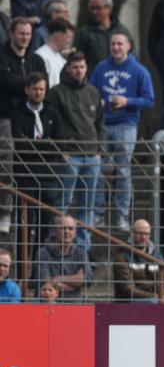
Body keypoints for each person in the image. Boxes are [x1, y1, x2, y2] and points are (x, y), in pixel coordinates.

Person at [89, 32, 155, 232]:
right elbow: (90, 92)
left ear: (128, 46)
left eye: (120, 44)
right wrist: (96, 101)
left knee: (123, 170)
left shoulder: (139, 71)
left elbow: (149, 100)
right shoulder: (101, 68)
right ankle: (97, 214)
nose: (116, 47)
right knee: (98, 169)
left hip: (127, 125)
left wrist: (128, 101)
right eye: (112, 44)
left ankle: (122, 217)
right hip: (102, 125)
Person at [45, 52, 105, 251]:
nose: (78, 71)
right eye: (75, 67)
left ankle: (82, 251)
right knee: (62, 204)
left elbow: (100, 123)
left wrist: (99, 149)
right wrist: (60, 151)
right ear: (68, 68)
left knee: (87, 207)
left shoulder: (93, 92)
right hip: (69, 156)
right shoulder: (56, 93)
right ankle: (55, 247)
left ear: (86, 68)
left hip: (91, 156)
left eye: (82, 66)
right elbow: (50, 124)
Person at [0, 17, 48, 234]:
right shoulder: (2, 55)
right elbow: (5, 82)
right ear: (12, 34)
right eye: (21, 34)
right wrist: (28, 84)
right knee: (6, 166)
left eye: (28, 34)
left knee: (27, 166)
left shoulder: (36, 59)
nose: (25, 38)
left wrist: (22, 84)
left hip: (31, 116)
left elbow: (42, 83)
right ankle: (5, 210)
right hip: (6, 117)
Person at [10, 71, 64, 237]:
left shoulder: (53, 113)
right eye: (35, 89)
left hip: (47, 174)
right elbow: (19, 144)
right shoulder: (17, 113)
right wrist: (45, 142)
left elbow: (59, 142)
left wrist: (33, 144)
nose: (38, 92)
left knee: (45, 222)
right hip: (25, 174)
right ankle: (22, 262)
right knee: (24, 222)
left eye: (42, 89)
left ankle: (38, 261)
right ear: (27, 90)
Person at [113, 219, 164, 303]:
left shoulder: (156, 254)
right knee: (152, 301)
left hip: (155, 298)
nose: (143, 237)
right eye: (140, 233)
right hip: (131, 302)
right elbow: (128, 290)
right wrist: (157, 297)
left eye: (146, 234)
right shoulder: (121, 257)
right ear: (132, 233)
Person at [34, 215, 92, 302]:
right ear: (55, 230)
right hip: (48, 307)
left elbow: (88, 279)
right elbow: (47, 285)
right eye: (62, 228)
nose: (67, 231)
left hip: (74, 306)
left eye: (70, 228)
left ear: (75, 232)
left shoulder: (81, 253)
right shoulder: (42, 253)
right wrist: (77, 281)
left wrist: (58, 279)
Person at [74, 0, 133, 74]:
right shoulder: (84, 33)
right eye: (92, 8)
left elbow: (132, 56)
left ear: (109, 9)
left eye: (98, 8)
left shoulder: (122, 31)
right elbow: (78, 59)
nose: (94, 12)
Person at [34, 18, 73, 87]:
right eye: (68, 37)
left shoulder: (62, 59)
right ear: (58, 36)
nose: (69, 41)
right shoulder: (40, 56)